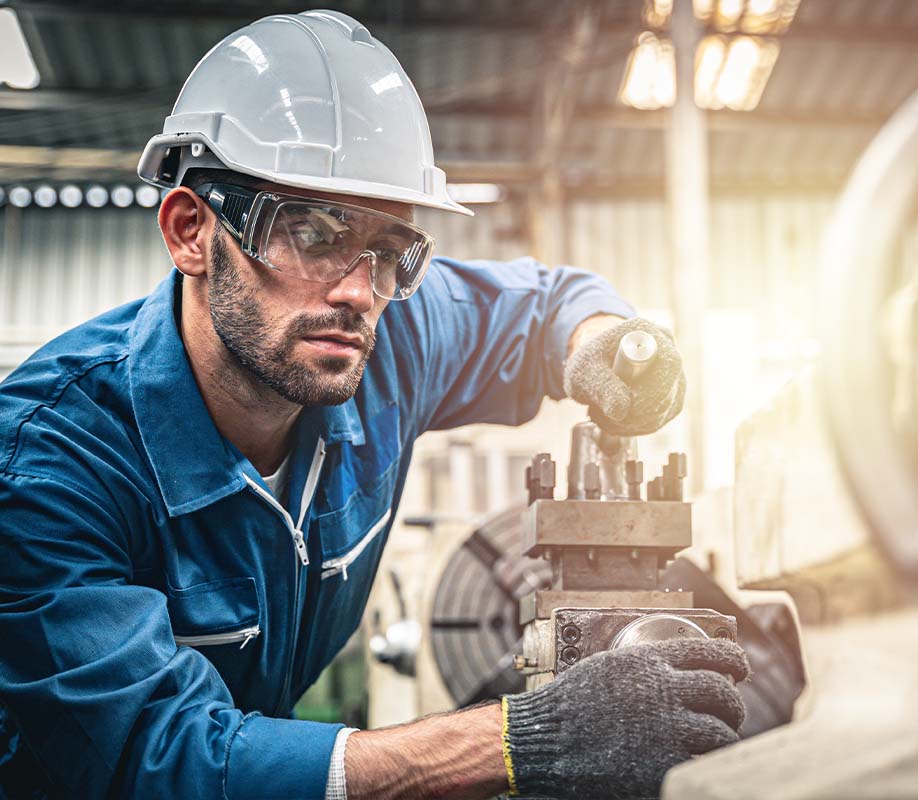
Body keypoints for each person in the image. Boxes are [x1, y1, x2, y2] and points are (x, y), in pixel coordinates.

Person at [0, 10, 748, 799]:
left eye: (390, 250)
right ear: (191, 231)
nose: (360, 291)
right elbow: (160, 757)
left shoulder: (385, 336)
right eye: (312, 233)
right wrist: (520, 739)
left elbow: (546, 308)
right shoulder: (45, 465)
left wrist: (606, 348)